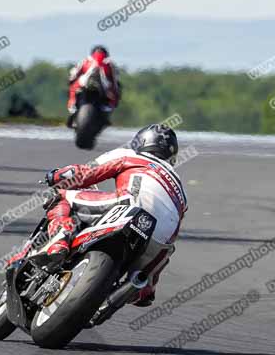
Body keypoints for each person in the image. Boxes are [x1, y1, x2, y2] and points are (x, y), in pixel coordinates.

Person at [12, 124, 186, 307]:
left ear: (141, 141)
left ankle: (59, 242)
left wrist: (55, 176)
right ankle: (139, 287)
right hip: (159, 239)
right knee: (144, 277)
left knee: (61, 197)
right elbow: (175, 228)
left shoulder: (130, 155)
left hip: (128, 208)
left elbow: (85, 174)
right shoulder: (180, 186)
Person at [66, 45, 120, 128]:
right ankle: (74, 113)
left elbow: (73, 75)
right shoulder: (109, 64)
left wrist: (70, 81)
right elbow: (115, 82)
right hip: (88, 87)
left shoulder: (87, 61)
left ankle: (103, 117)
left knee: (74, 88)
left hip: (97, 88)